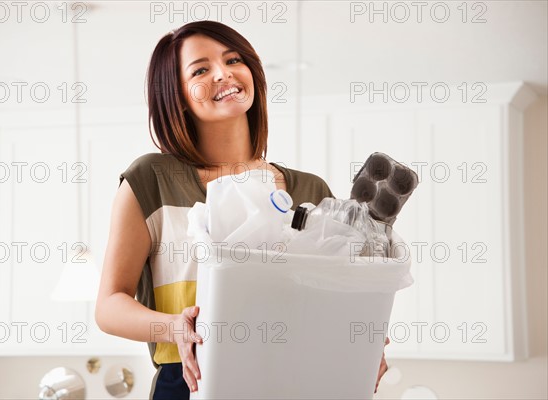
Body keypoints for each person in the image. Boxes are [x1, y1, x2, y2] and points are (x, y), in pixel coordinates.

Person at [95, 20, 388, 399]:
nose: (224, 73)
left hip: (298, 378)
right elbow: (109, 305)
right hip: (190, 381)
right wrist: (173, 328)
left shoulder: (312, 190)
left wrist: (366, 342)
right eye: (201, 69)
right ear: (178, 95)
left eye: (233, 59)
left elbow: (341, 294)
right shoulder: (151, 179)